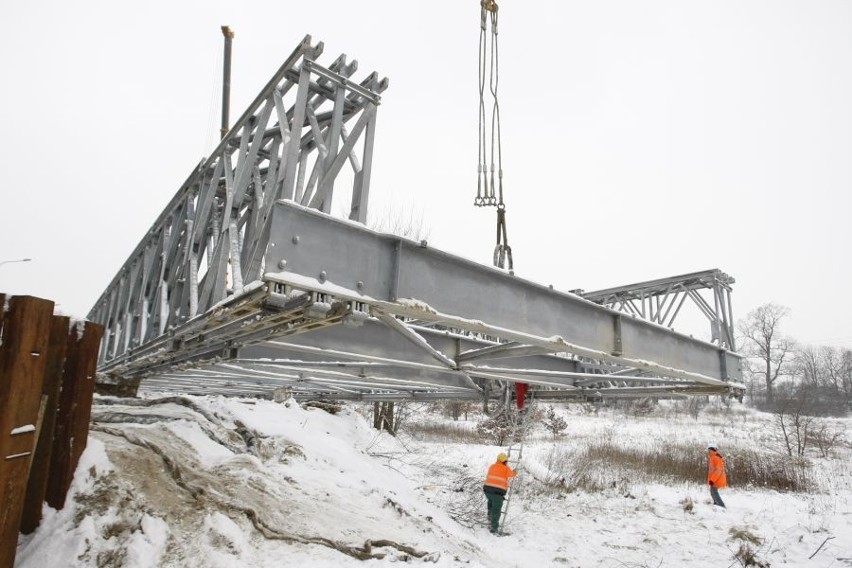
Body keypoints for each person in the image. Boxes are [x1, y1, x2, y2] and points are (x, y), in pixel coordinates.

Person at [483, 452, 517, 534]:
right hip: (498, 492)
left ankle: (489, 518)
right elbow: (512, 474)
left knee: (490, 502)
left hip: (487, 490)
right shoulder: (505, 468)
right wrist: (515, 471)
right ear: (504, 461)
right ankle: (494, 528)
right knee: (496, 510)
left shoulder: (492, 466)